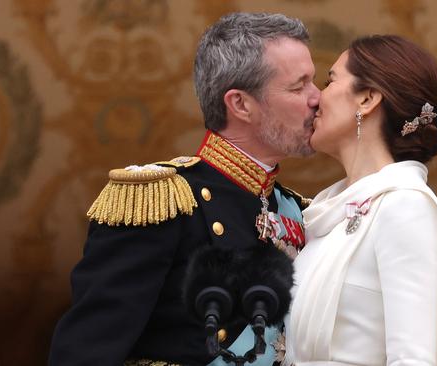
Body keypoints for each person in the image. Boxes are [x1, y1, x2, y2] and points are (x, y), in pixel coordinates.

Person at [48, 12, 319, 366]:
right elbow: (85, 353)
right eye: (299, 87)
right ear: (239, 104)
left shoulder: (295, 209)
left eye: (316, 82)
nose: (318, 98)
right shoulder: (160, 201)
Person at [283, 35, 437, 366]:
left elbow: (413, 360)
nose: (315, 98)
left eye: (329, 80)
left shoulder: (403, 206)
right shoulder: (326, 213)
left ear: (367, 99)